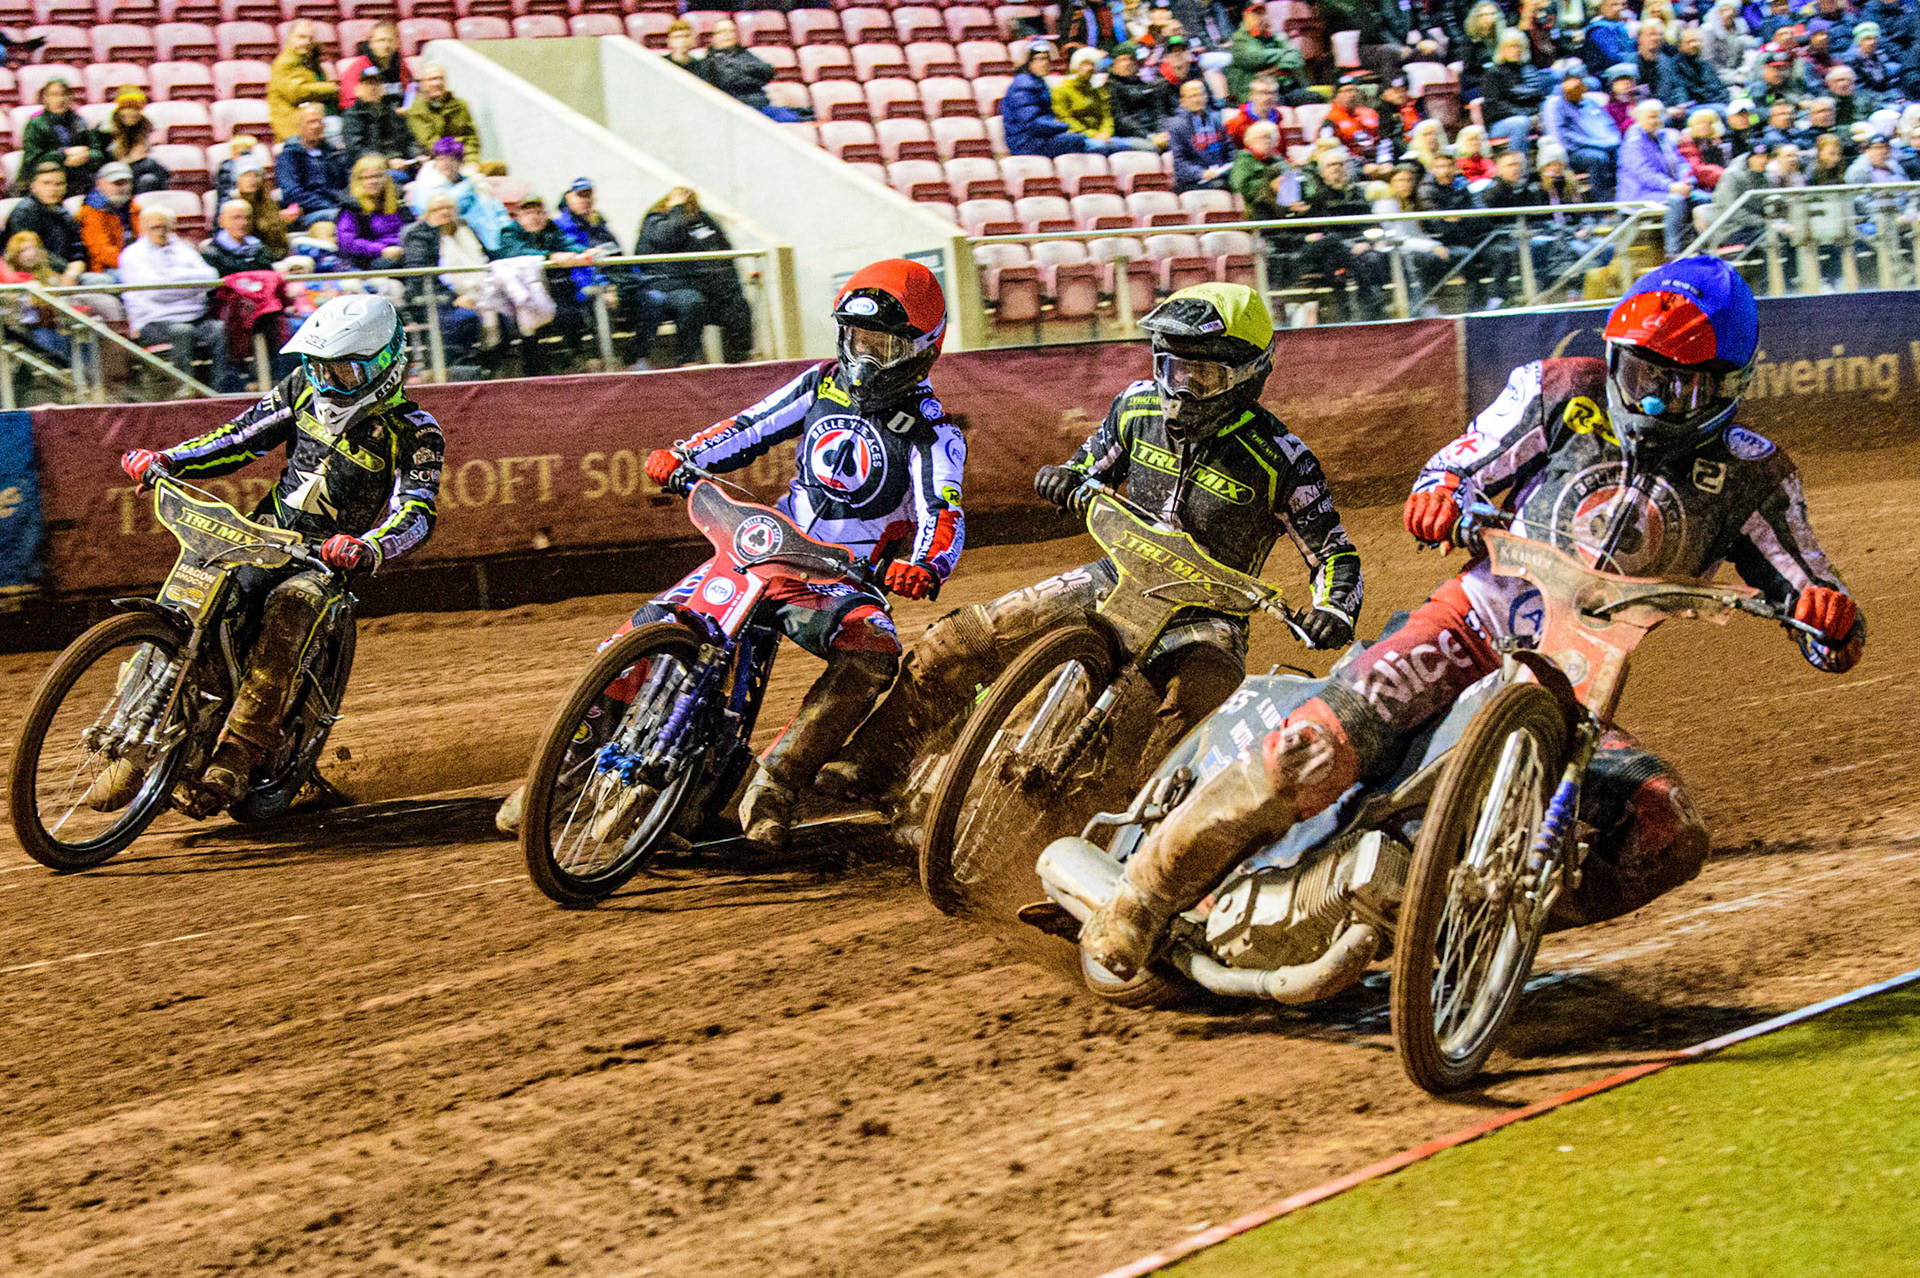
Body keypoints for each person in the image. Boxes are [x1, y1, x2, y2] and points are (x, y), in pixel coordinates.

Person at [1077, 258, 1865, 981]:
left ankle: (1467, 919)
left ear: (1728, 387)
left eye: (1680, 386)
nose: (1653, 397)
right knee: (1309, 751)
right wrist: (1441, 494)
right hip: (1473, 623)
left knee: (1668, 829)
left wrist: (1829, 620)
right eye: (1639, 371)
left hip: (1579, 686)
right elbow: (1461, 462)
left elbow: (1815, 599)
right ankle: (1139, 902)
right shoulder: (1562, 389)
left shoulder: (1755, 474)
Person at [819, 283, 1364, 820]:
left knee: (1190, 724)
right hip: (1115, 574)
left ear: (1249, 375)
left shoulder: (1282, 459)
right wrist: (1064, 478)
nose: (1185, 389)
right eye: (1175, 369)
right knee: (955, 642)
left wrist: (1333, 609)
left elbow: (1333, 552)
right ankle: (875, 761)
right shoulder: (1135, 407)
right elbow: (1087, 466)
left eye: (1206, 375)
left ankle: (1105, 838)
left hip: (1207, 618)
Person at [496, 261, 965, 851]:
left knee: (874, 651)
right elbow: (748, 427)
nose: (865, 357)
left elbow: (942, 511)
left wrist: (926, 563)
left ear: (922, 349)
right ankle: (563, 770)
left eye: (883, 346)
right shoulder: (819, 384)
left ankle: (777, 781)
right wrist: (685, 455)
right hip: (763, 542)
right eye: (857, 340)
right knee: (649, 625)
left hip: (836, 575)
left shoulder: (932, 431)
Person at [114, 295, 442, 808]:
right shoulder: (298, 391)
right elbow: (239, 438)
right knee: (190, 598)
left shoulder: (415, 430)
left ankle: (239, 754)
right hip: (261, 535)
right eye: (319, 368)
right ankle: (136, 714)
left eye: (344, 371)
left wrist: (368, 547)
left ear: (385, 364)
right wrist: (168, 460)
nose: (328, 382)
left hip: (324, 561)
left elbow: (416, 510)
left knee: (290, 610)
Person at [632, 186, 754, 366]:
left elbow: (723, 251)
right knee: (692, 303)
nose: (690, 206)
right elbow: (669, 237)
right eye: (684, 201)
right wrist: (677, 208)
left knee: (737, 305)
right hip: (668, 286)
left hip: (703, 286)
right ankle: (689, 361)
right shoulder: (656, 220)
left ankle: (740, 361)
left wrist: (730, 285)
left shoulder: (703, 220)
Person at [118, 204, 230, 390]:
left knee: (218, 329)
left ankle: (220, 389)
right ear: (144, 228)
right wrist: (190, 285)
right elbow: (155, 291)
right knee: (182, 332)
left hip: (195, 317)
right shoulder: (132, 255)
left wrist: (171, 282)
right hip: (154, 321)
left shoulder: (184, 249)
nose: (161, 232)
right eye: (155, 227)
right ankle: (184, 389)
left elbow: (210, 277)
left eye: (166, 227)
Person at [498, 193, 591, 371]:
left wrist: (584, 252)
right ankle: (531, 370)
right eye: (529, 213)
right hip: (520, 294)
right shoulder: (509, 232)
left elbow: (568, 244)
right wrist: (551, 256)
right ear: (518, 217)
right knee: (528, 320)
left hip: (552, 291)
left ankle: (575, 358)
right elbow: (518, 252)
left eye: (539, 212)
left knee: (570, 312)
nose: (535, 217)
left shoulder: (551, 229)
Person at [400, 191, 486, 366]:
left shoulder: (467, 231)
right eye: (437, 209)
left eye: (448, 208)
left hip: (479, 293)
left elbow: (488, 259)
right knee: (464, 318)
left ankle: (489, 371)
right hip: (435, 299)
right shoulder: (420, 236)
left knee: (504, 317)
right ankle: (451, 370)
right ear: (426, 215)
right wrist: (455, 298)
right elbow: (420, 276)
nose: (444, 212)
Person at [1618, 98, 1696, 254]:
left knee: (1702, 198)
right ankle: (1673, 252)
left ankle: (1701, 247)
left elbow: (1681, 162)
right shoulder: (1633, 142)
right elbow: (1644, 174)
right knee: (1676, 200)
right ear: (1640, 118)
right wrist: (1672, 186)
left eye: (1659, 116)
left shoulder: (1664, 138)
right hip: (1641, 194)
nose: (1656, 120)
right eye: (1651, 116)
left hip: (1669, 188)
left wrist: (1686, 180)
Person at [406, 137, 509, 252]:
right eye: (441, 159)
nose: (446, 164)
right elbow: (433, 207)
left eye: (451, 159)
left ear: (460, 162)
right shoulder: (426, 185)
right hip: (448, 241)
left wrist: (506, 228)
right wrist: (468, 185)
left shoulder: (474, 183)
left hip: (488, 239)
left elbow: (492, 208)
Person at [1053, 46, 1157, 151]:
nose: (1089, 68)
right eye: (1084, 64)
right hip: (1079, 137)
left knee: (1149, 147)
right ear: (1075, 65)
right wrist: (1093, 135)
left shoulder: (1097, 90)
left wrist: (1105, 133)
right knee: (1101, 147)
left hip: (1105, 137)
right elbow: (1065, 119)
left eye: (1092, 64)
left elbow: (1107, 117)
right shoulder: (1061, 89)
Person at [1543, 67, 1623, 199]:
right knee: (1598, 158)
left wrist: (1613, 141)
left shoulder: (1590, 103)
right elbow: (1561, 137)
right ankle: (1603, 208)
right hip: (1572, 151)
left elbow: (1609, 125)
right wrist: (1599, 144)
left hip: (1600, 145)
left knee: (1622, 152)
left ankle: (1625, 200)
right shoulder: (1555, 104)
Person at [4, 163, 86, 285]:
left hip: (66, 274)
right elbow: (29, 253)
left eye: (59, 184)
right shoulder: (24, 212)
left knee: (100, 281)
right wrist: (65, 271)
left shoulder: (64, 214)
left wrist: (73, 271)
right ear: (34, 186)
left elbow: (77, 250)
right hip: (32, 276)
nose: (53, 189)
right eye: (46, 183)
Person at [18, 79, 101, 197]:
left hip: (78, 176)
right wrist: (64, 155)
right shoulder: (35, 124)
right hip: (45, 178)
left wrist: (86, 155)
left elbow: (97, 152)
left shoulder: (80, 121)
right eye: (54, 95)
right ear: (45, 98)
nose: (60, 99)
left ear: (70, 98)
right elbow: (33, 158)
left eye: (64, 94)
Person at [700, 18, 791, 120]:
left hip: (761, 105)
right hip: (733, 110)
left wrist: (738, 69)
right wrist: (750, 74)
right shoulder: (709, 62)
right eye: (722, 32)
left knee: (792, 118)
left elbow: (768, 71)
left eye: (731, 31)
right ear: (713, 38)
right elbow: (727, 80)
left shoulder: (744, 54)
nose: (727, 34)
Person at [277, 105, 350, 229]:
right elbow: (292, 192)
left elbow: (347, 183)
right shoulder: (289, 156)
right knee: (344, 218)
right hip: (309, 212)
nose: (316, 126)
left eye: (319, 121)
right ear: (299, 126)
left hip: (338, 206)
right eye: (311, 122)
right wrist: (329, 204)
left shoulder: (333, 153)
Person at [1225, 4, 1315, 105]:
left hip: (1283, 88)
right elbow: (1257, 58)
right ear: (1246, 16)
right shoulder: (1239, 38)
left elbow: (1295, 57)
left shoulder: (1275, 35)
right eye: (1255, 14)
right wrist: (1283, 55)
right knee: (1279, 103)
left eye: (1262, 13)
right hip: (1253, 94)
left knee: (1315, 98)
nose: (1260, 18)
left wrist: (1273, 68)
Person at [269, 20, 340, 142]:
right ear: (290, 38)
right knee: (337, 127)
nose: (306, 42)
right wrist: (331, 88)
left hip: (316, 124)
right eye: (301, 37)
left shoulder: (311, 63)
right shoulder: (284, 63)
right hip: (293, 129)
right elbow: (296, 92)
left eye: (310, 38)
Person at [336, 154, 410, 270]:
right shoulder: (351, 208)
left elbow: (411, 228)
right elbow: (348, 242)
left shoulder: (399, 202)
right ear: (357, 181)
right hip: (370, 260)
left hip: (404, 251)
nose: (372, 181)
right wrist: (381, 250)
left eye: (377, 176)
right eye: (366, 178)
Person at [1481, 29, 1546, 153]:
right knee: (1521, 123)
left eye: (1519, 46)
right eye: (1511, 46)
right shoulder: (1493, 74)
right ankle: (1520, 165)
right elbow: (1495, 106)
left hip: (1530, 117)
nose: (1516, 50)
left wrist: (1539, 114)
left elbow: (1540, 97)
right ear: (1502, 49)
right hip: (1500, 123)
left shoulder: (1530, 70)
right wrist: (1527, 115)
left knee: (1549, 114)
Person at [93, 90, 170, 195]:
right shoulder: (105, 130)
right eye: (127, 108)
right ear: (119, 110)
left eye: (136, 109)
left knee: (149, 180)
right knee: (151, 165)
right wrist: (129, 159)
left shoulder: (143, 126)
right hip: (111, 172)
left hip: (133, 172)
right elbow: (102, 159)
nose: (131, 112)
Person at [341, 68, 417, 171]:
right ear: (359, 89)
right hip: (373, 170)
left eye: (376, 83)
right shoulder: (352, 116)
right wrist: (387, 162)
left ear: (383, 88)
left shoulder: (392, 112)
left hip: (403, 164)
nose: (372, 88)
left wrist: (416, 156)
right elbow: (357, 151)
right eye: (368, 84)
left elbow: (409, 139)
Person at [1167, 79, 1232, 190]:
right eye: (1192, 96)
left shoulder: (1217, 120)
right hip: (1195, 181)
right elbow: (1180, 163)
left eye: (1201, 94)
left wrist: (1230, 166)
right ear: (1183, 101)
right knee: (1221, 185)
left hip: (1221, 174)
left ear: (1206, 97)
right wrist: (1202, 173)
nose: (1198, 100)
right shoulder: (1177, 126)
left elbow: (1230, 149)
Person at [407, 66, 482, 161]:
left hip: (464, 158)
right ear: (423, 84)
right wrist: (455, 158)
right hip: (437, 160)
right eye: (432, 79)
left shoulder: (459, 105)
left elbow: (471, 137)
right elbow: (432, 143)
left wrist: (472, 160)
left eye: (440, 78)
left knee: (497, 167)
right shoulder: (417, 110)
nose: (437, 83)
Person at [76, 162, 138, 275]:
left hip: (135, 264)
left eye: (126, 183)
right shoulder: (92, 211)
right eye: (116, 183)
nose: (122, 188)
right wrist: (134, 264)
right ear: (99, 184)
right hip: (106, 270)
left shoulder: (135, 208)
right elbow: (101, 252)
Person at [1108, 44, 1174, 145]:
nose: (1128, 63)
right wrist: (1149, 136)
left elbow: (1160, 112)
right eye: (1123, 60)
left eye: (1131, 59)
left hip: (1158, 133)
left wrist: (1163, 132)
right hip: (1133, 136)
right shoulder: (1112, 87)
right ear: (1114, 64)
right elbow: (1122, 120)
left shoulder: (1149, 86)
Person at [337, 20, 408, 111]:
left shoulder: (401, 66)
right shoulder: (358, 68)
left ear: (397, 43)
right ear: (371, 44)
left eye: (390, 40)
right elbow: (349, 104)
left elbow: (411, 92)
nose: (386, 45)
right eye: (380, 40)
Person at [232, 157, 292, 261]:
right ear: (237, 180)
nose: (252, 180)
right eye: (246, 175)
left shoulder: (268, 201)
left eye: (256, 175)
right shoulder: (232, 204)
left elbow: (279, 236)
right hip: (248, 257)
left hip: (276, 254)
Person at [1659, 27, 1733, 110]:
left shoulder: (1705, 64)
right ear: (1680, 46)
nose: (1694, 45)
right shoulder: (1674, 66)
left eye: (1696, 41)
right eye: (1689, 42)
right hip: (1693, 107)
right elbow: (1682, 92)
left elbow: (1718, 87)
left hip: (1714, 104)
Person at [203, 198, 277, 275]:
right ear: (221, 221)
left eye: (248, 218)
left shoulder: (259, 249)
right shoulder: (212, 253)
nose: (243, 223)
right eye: (236, 217)